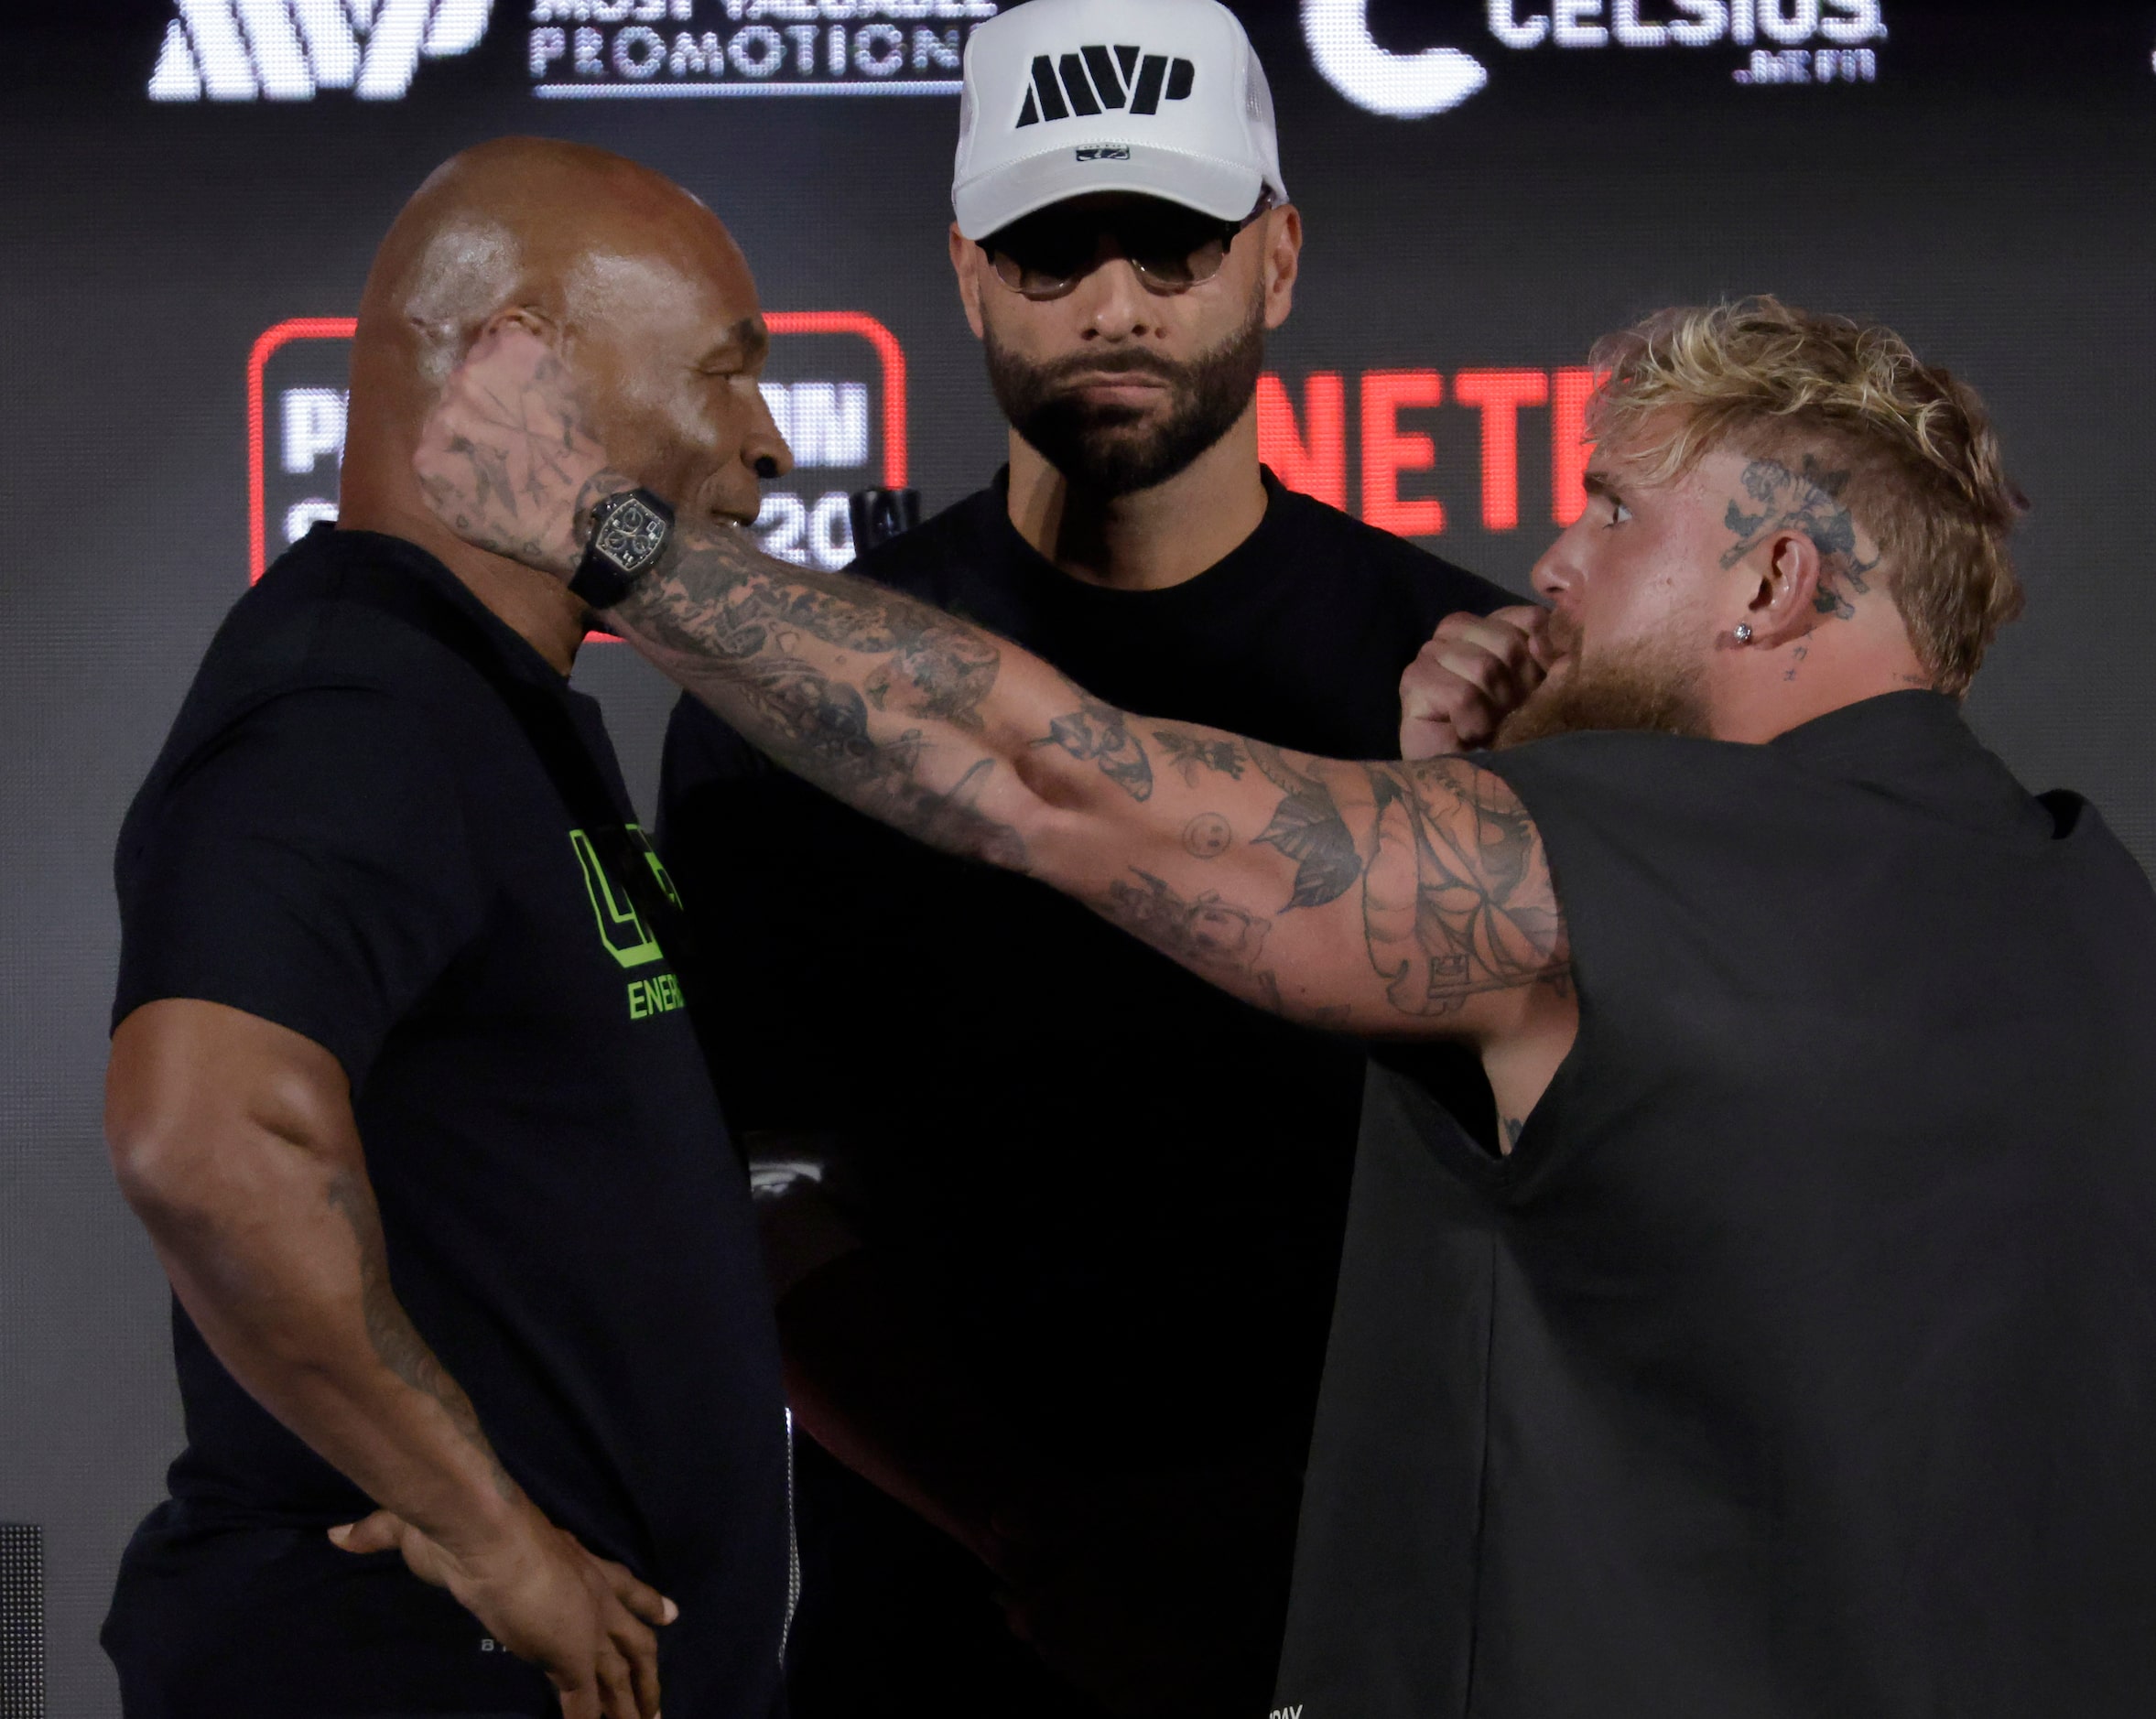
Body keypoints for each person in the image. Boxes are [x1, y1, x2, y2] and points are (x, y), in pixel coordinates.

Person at [414, 293, 2156, 1717]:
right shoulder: (2087, 898)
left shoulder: (1605, 872)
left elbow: (1056, 780)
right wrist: (1474, 788)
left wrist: (598, 526)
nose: (1551, 561)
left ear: (1777, 580)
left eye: (1617, 513)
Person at [655, 1, 1520, 1712]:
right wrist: (1038, 1531)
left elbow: (1532, 1195)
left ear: (1277, 257)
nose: (1115, 304)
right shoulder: (795, 686)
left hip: (1361, 1606)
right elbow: (757, 1197)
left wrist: (1289, 1524)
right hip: (934, 1613)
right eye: (1055, 250)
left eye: (1173, 244)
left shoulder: (1456, 672)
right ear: (969, 272)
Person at [100, 139, 801, 1719]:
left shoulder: (496, 698)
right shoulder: (356, 698)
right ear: (517, 361)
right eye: (725, 374)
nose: (765, 444)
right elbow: (205, 1134)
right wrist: (496, 1537)